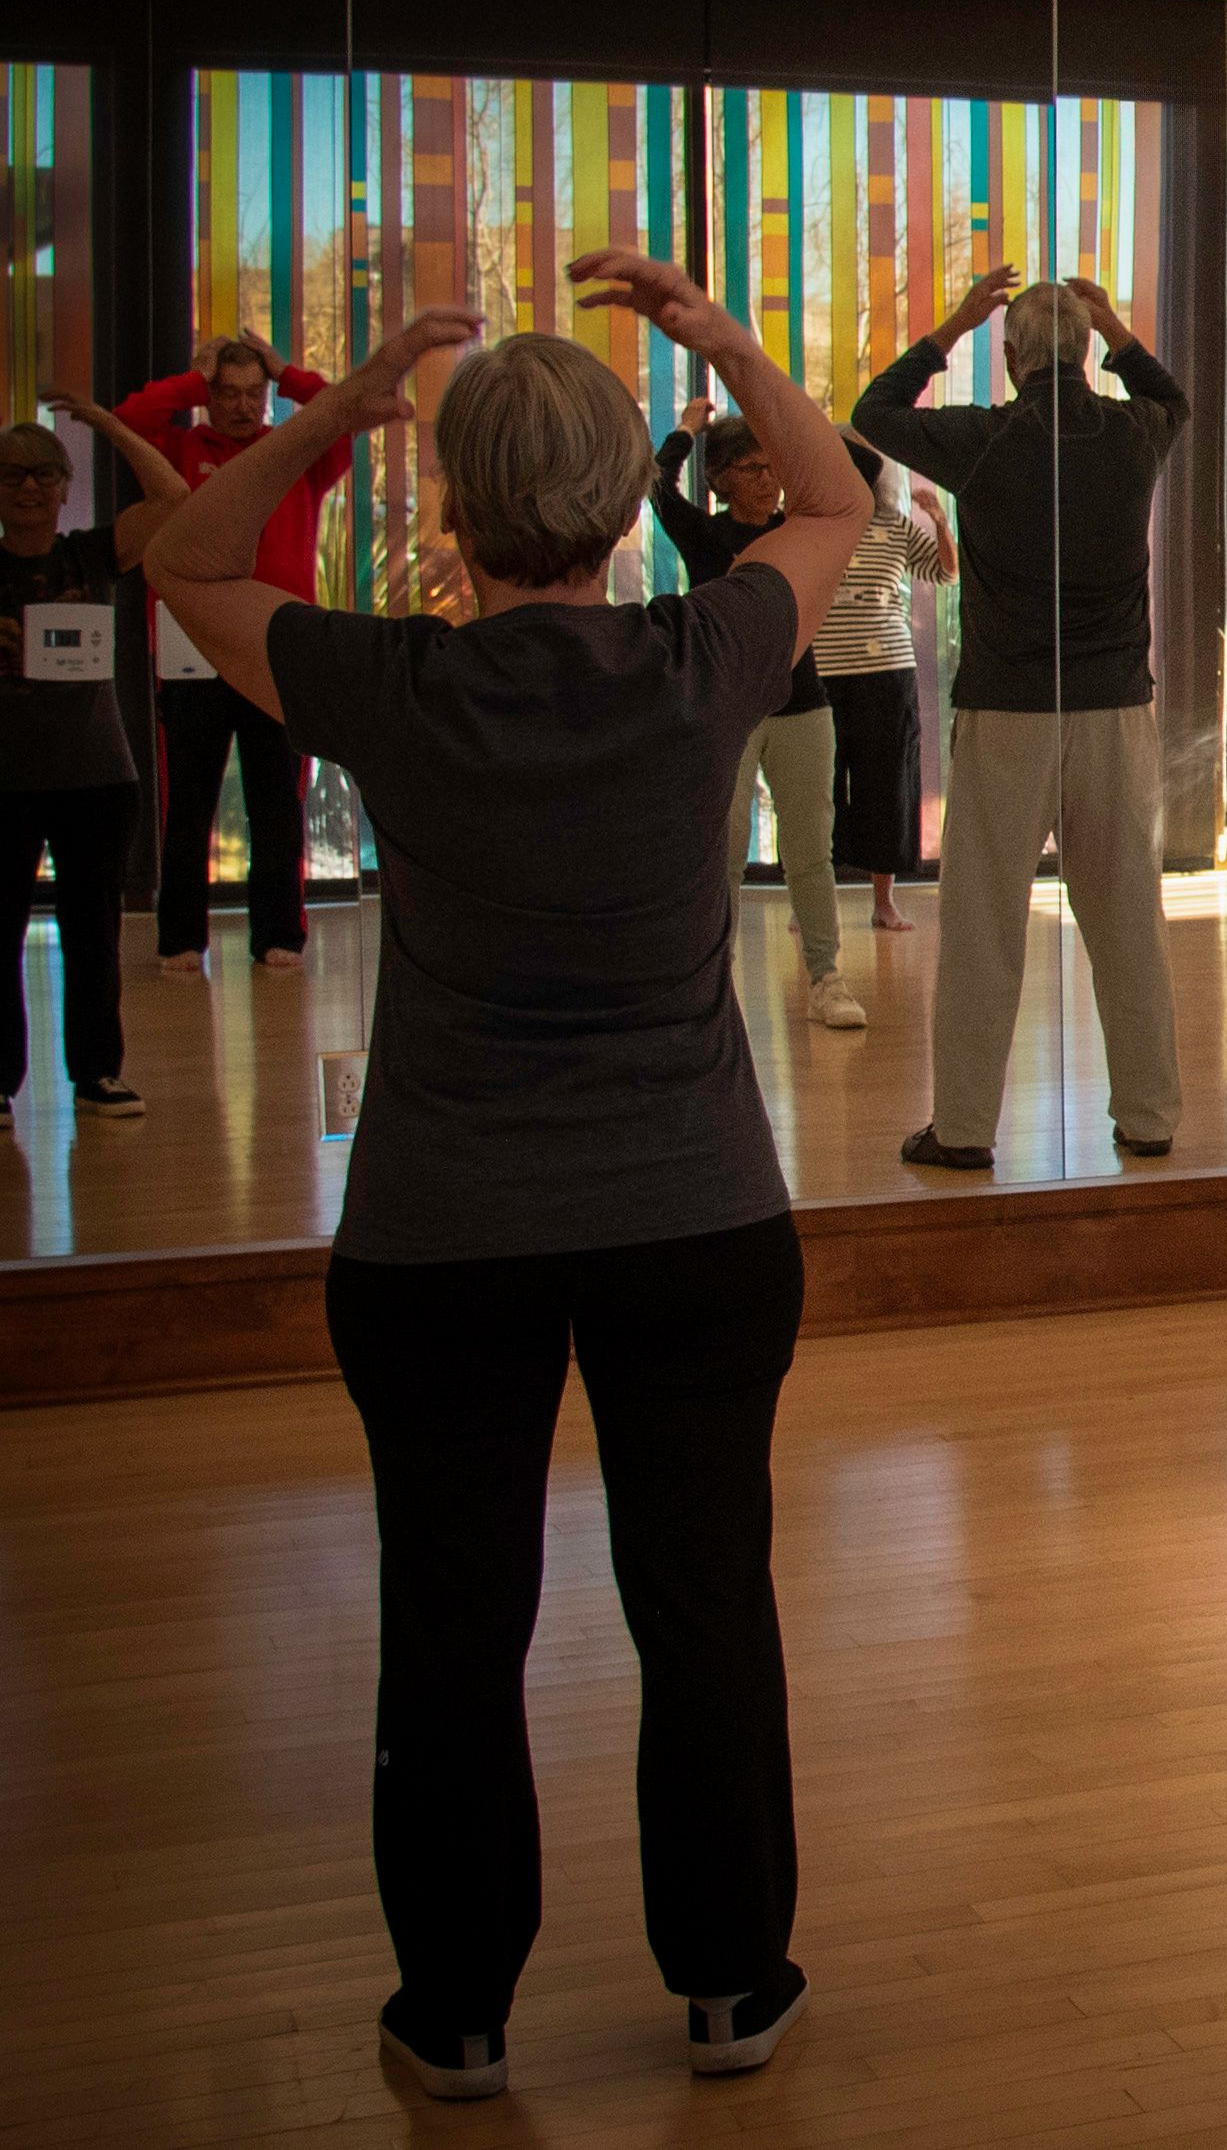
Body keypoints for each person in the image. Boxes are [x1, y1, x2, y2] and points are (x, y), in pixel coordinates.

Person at [138, 254, 866, 2102]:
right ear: (631, 503)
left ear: (450, 508)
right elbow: (844, 492)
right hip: (696, 1223)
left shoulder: (392, 681)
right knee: (702, 1607)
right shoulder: (706, 658)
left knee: (454, 1620)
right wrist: (719, 341)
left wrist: (353, 391)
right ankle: (728, 1985)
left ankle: (454, 2012)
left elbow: (187, 560)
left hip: (442, 1240)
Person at [856, 267, 1187, 1170]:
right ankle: (1149, 1117)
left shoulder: (986, 436)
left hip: (1007, 711)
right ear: (1086, 352)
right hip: (1116, 705)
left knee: (983, 927)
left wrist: (954, 319)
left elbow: (875, 411)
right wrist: (1115, 321)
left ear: (1008, 357)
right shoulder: (1132, 430)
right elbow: (1171, 393)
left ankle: (963, 1129)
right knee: (1126, 919)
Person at [119, 330, 345, 973]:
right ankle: (182, 938)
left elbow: (337, 419)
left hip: (274, 647)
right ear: (210, 396)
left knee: (279, 800)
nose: (244, 406)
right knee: (187, 802)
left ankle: (280, 935)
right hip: (191, 652)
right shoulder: (179, 451)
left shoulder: (290, 456)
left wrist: (288, 371)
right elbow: (135, 418)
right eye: (228, 393)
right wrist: (192, 378)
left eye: (256, 393)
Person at [0, 397, 189, 1128]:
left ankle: (98, 1075)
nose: (29, 489)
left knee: (93, 937)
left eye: (46, 475)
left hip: (97, 781)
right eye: (15, 476)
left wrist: (108, 425)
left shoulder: (89, 554)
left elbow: (173, 498)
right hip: (7, 783)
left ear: (63, 483)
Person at [654, 400, 864, 1029]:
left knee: (810, 849)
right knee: (723, 847)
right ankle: (713, 981)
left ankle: (825, 977)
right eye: (751, 467)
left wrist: (795, 427)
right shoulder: (707, 534)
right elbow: (652, 483)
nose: (767, 478)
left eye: (773, 466)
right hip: (730, 707)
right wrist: (687, 429)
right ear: (719, 479)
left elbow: (854, 469)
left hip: (803, 704)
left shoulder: (797, 528)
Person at [816, 436, 955, 931]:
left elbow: (944, 573)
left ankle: (883, 901)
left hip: (887, 672)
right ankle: (813, 899)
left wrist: (939, 520)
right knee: (817, 787)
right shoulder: (811, 527)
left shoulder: (895, 527)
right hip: (821, 671)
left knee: (887, 783)